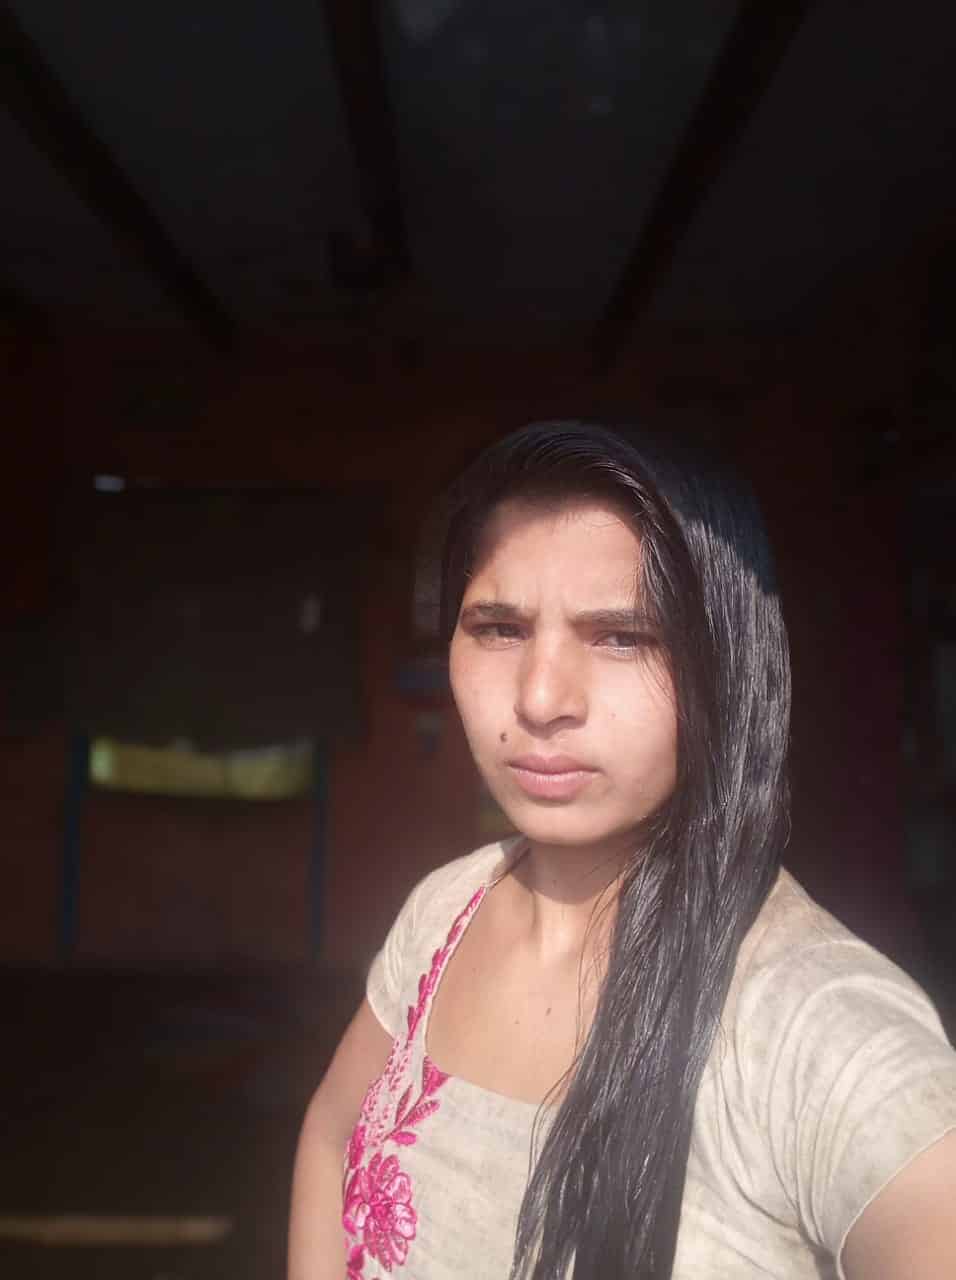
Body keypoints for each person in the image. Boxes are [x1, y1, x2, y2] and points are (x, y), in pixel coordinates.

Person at [288, 421, 956, 1279]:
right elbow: (331, 1132)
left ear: (727, 663)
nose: (540, 698)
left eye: (622, 636)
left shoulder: (818, 1025)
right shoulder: (444, 910)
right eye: (498, 627)